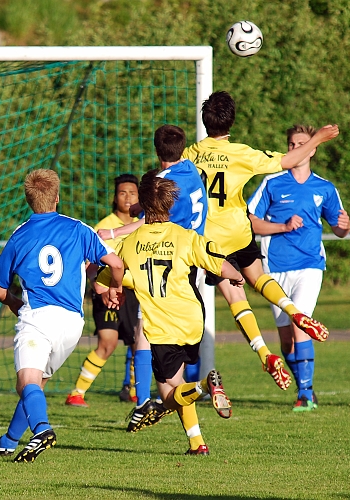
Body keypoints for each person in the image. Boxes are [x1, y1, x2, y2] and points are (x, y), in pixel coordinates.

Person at [183, 91, 339, 390]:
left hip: (209, 240)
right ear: (231, 121)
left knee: (234, 297)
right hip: (239, 230)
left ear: (205, 122)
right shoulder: (241, 153)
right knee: (257, 276)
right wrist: (317, 138)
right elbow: (289, 159)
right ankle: (294, 312)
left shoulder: (191, 154)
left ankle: (264, 353)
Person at [99, 171, 244, 455]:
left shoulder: (130, 241)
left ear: (143, 202)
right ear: (170, 205)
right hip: (192, 320)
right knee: (176, 382)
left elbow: (107, 273)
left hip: (162, 326)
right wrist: (236, 276)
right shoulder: (185, 236)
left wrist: (111, 290)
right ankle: (197, 443)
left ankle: (204, 385)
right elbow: (220, 264)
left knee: (167, 394)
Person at [0, 169, 124, 462]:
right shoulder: (78, 228)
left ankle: (41, 429)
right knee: (34, 385)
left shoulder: (20, 235)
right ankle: (9, 441)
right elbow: (116, 263)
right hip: (72, 324)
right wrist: (115, 289)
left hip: (38, 318)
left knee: (26, 383)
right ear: (57, 198)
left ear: (29, 200)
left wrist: (15, 304)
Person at [99, 124, 208, 430]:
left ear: (156, 149)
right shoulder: (192, 171)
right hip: (191, 260)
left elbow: (148, 216)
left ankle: (146, 400)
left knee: (147, 331)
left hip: (167, 255)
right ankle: (191, 434)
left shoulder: (163, 180)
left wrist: (113, 232)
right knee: (147, 332)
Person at [248, 124, 350, 411]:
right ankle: (304, 387)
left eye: (301, 144)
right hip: (274, 267)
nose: (296, 149)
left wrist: (345, 227)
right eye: (291, 144)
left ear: (313, 148)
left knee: (300, 323)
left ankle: (305, 393)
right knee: (286, 338)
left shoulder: (325, 188)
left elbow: (340, 226)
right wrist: (282, 226)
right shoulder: (272, 182)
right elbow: (250, 220)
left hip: (309, 265)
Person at [65, 174, 141, 407]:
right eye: (122, 193)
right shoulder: (104, 227)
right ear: (114, 197)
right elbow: (90, 266)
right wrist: (97, 287)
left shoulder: (145, 224)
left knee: (139, 343)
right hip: (108, 293)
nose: (127, 198)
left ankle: (135, 392)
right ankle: (76, 394)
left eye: (132, 193)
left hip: (134, 294)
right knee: (107, 343)